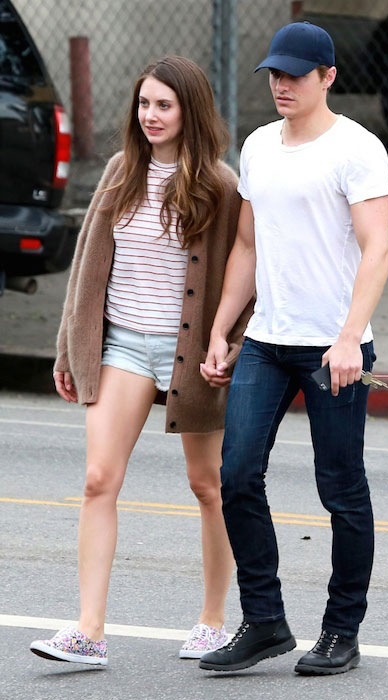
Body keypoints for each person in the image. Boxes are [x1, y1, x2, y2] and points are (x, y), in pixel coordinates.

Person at [29, 55, 252, 665]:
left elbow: (247, 275)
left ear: (190, 111)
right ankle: (89, 631)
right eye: (144, 103)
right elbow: (87, 268)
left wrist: (229, 349)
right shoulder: (120, 171)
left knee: (209, 486)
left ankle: (212, 619)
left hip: (191, 355)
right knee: (98, 480)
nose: (150, 115)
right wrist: (69, 349)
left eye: (164, 105)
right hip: (122, 344)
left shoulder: (221, 184)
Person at [199, 22, 388, 676]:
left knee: (339, 490)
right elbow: (247, 247)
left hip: (332, 349)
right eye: (274, 75)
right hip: (266, 341)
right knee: (235, 474)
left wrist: (347, 339)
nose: (281, 85)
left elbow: (377, 249)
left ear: (327, 77)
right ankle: (264, 622)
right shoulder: (257, 147)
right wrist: (223, 330)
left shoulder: (356, 149)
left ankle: (342, 630)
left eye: (295, 75)